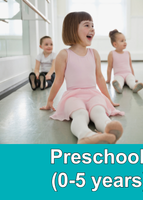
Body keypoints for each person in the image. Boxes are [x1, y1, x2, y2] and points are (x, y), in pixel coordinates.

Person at [40, 12, 124, 144]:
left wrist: (108, 99)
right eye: (87, 25)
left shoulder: (94, 53)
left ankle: (108, 128)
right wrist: (49, 101)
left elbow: (100, 79)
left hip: (92, 93)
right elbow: (58, 80)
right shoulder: (64, 54)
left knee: (98, 111)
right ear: (73, 29)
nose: (92, 29)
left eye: (93, 26)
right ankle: (85, 135)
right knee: (80, 114)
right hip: (72, 96)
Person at [106, 29, 143, 94]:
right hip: (118, 74)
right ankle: (118, 87)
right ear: (115, 44)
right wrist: (108, 80)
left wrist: (134, 77)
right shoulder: (112, 53)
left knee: (131, 80)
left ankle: (135, 86)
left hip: (128, 74)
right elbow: (109, 68)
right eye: (122, 41)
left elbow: (130, 66)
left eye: (125, 40)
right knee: (118, 81)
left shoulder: (127, 53)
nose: (125, 42)